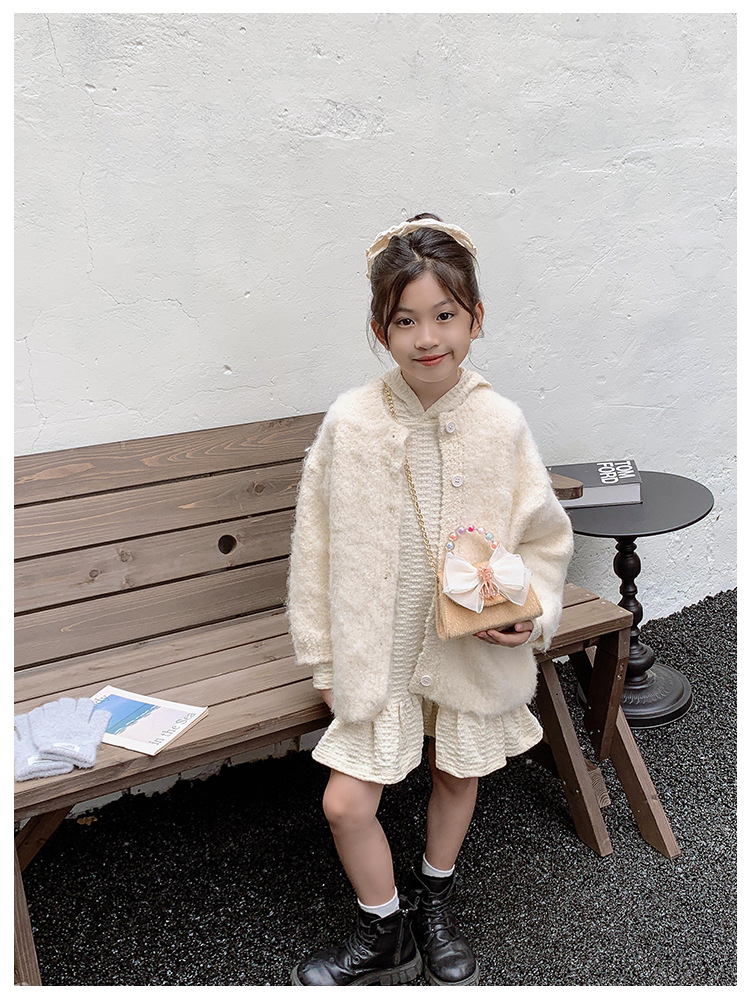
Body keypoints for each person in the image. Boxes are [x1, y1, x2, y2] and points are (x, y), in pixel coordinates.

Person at [285, 214, 574, 987]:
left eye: (444, 315)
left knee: (457, 773)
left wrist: (531, 612)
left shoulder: (500, 424)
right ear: (379, 328)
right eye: (405, 320)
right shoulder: (350, 423)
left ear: (475, 317)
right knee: (346, 803)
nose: (426, 338)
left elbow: (545, 539)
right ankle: (385, 931)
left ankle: (433, 901)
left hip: (466, 649)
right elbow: (314, 551)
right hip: (375, 655)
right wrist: (323, 659)